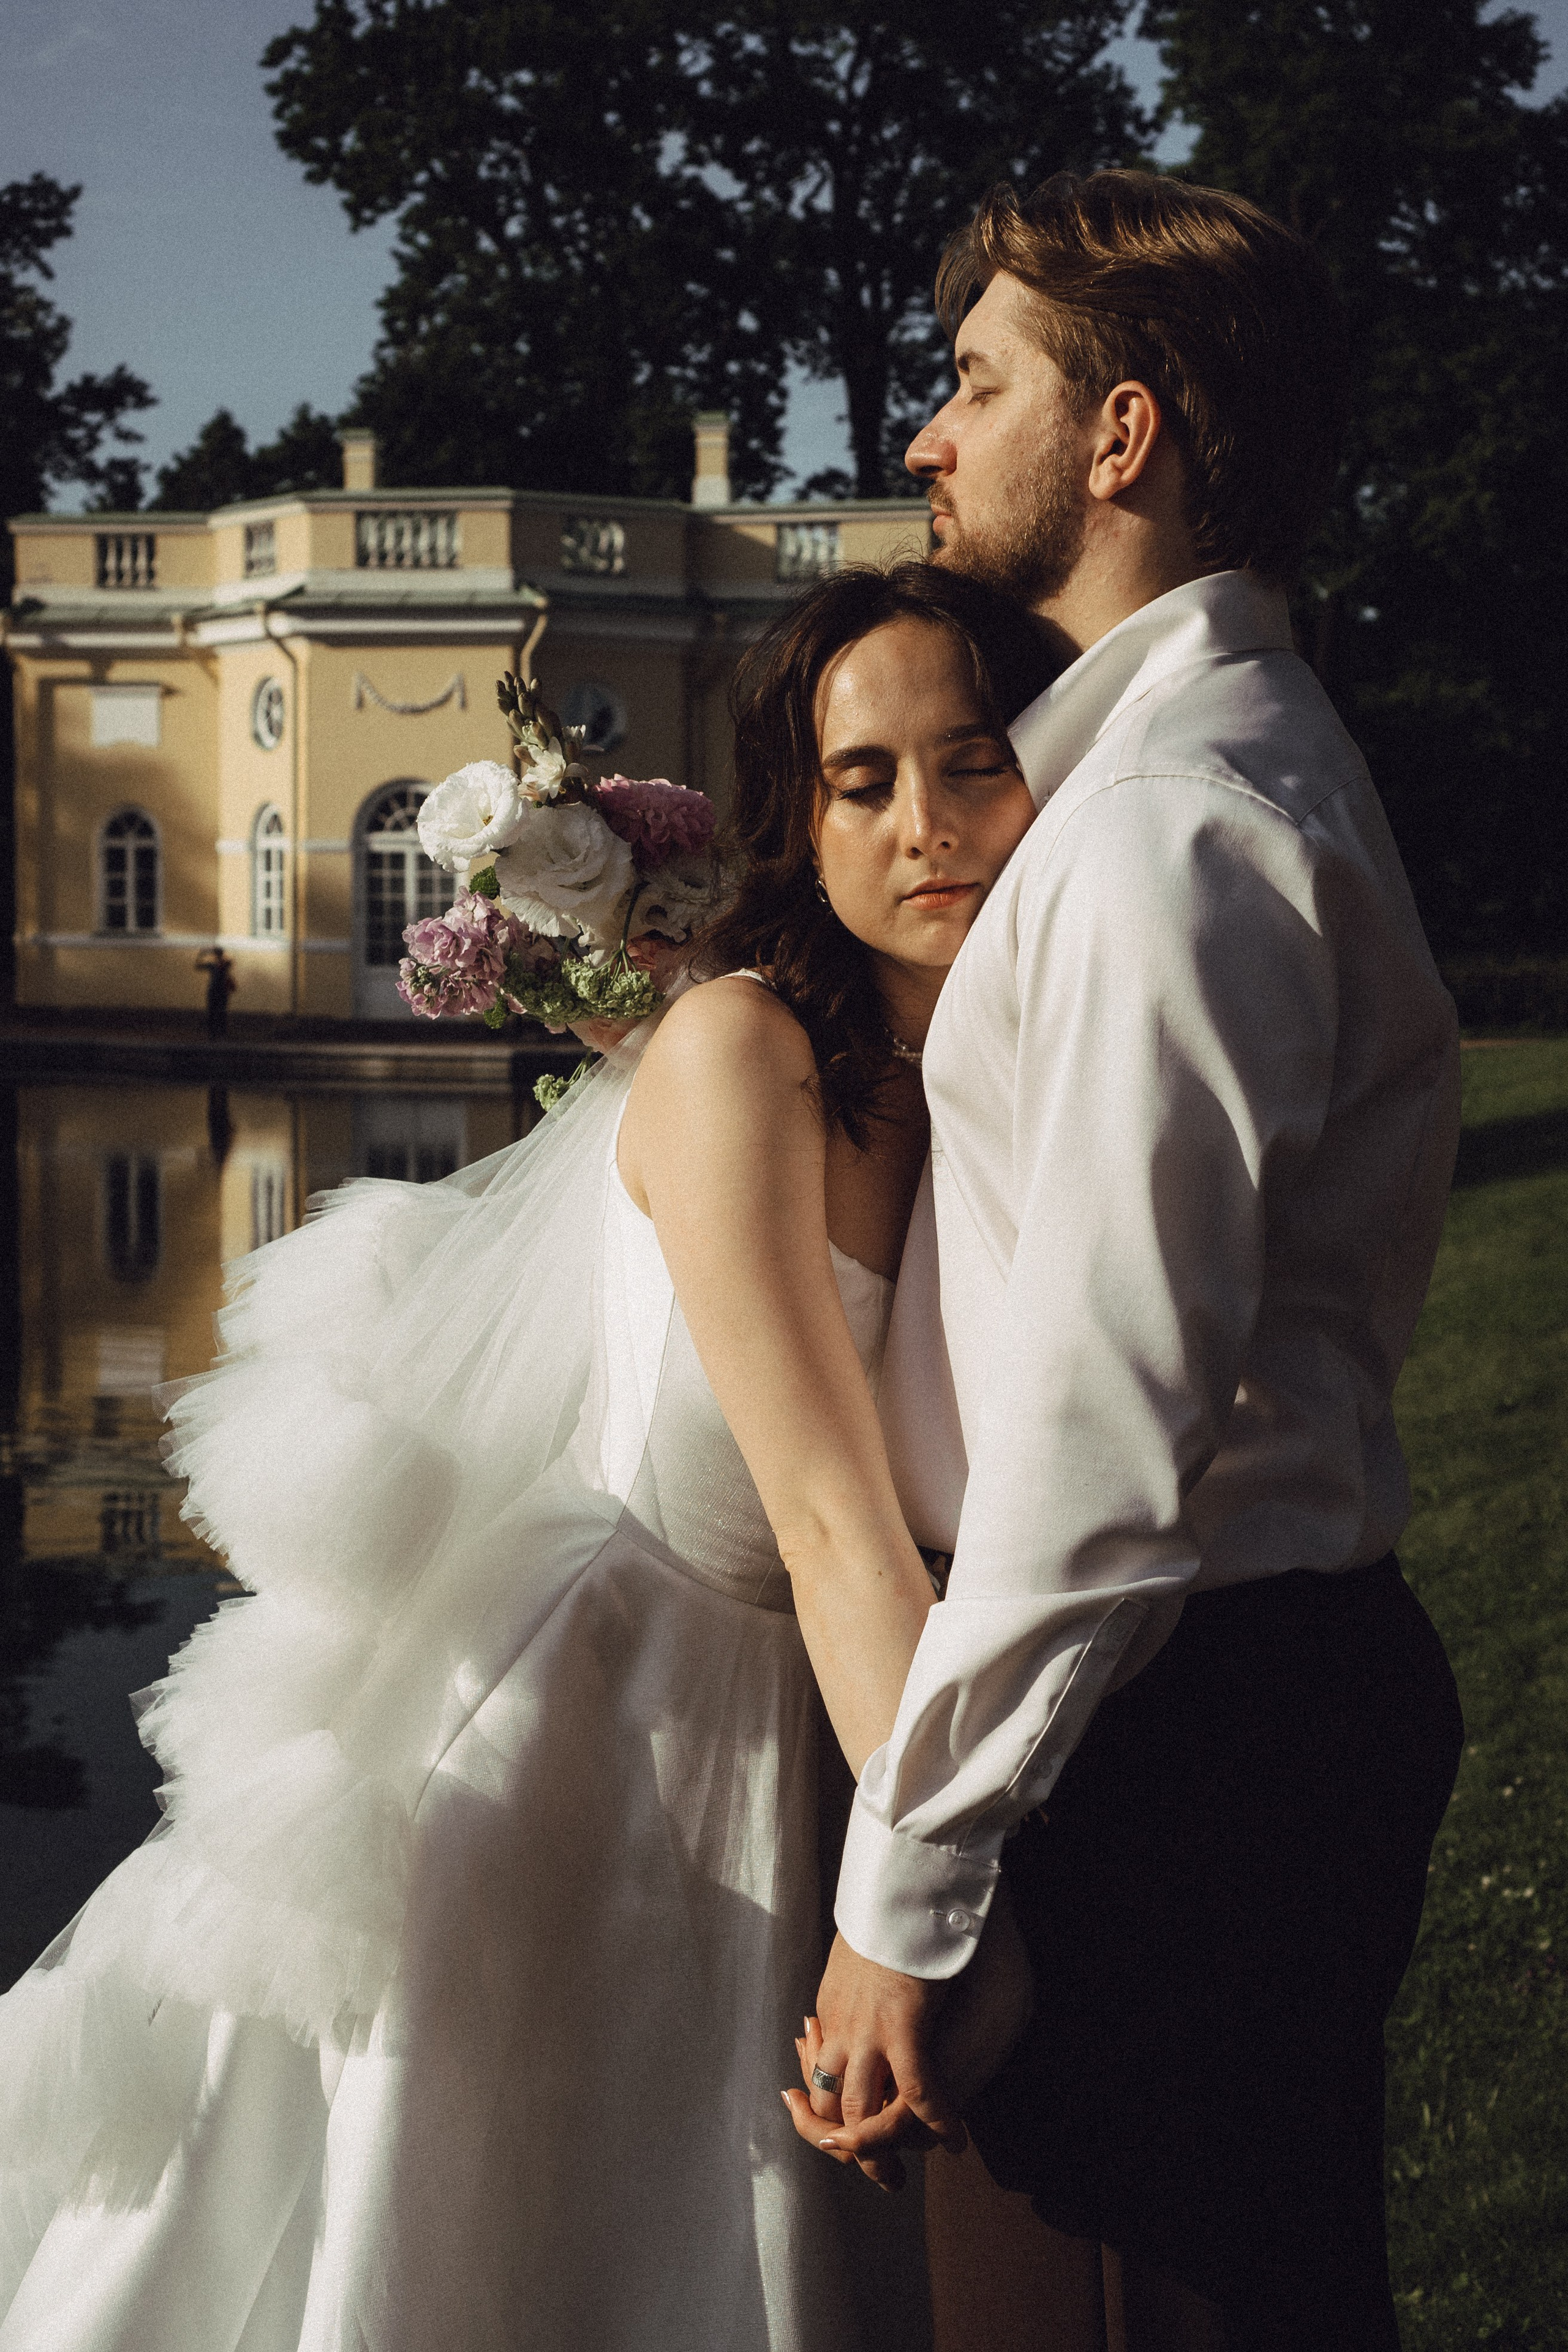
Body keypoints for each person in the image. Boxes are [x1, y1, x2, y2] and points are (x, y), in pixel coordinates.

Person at [0, 563, 1055, 2352]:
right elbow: (824, 1520)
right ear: (800, 820)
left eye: (973, 764)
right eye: (864, 782)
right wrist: (957, 1900)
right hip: (594, 1732)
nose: (931, 826)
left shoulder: (970, 1073)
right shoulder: (743, 1051)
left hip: (777, 1714)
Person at [794, 173, 1464, 2351]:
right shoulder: (1188, 780)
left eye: (976, 383)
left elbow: (1100, 1442)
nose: (925, 437)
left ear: (1122, 435)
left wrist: (912, 1885)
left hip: (1175, 1760)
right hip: (1218, 1714)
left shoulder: (1177, 827)